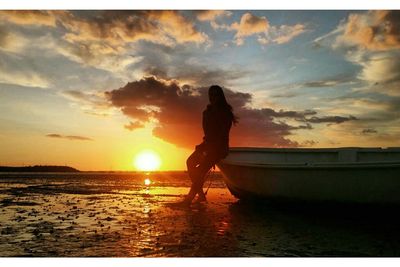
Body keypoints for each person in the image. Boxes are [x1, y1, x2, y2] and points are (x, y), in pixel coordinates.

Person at [182, 85, 238, 206]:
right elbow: (207, 133)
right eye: (211, 95)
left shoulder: (225, 113)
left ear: (221, 96)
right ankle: (201, 195)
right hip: (207, 145)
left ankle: (189, 199)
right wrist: (203, 146)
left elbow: (222, 135)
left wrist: (209, 151)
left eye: (216, 95)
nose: (213, 97)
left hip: (219, 148)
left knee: (201, 170)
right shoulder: (206, 112)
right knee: (190, 162)